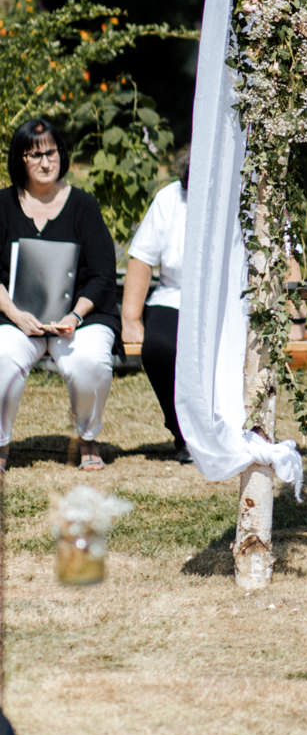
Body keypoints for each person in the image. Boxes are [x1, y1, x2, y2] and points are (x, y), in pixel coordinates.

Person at [0, 116, 120, 472]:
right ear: (19, 159)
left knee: (90, 363)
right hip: (15, 317)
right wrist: (15, 314)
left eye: (50, 153)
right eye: (34, 155)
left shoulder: (84, 205)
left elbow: (102, 275)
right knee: (2, 359)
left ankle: (87, 438)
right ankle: (1, 445)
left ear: (61, 155)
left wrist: (75, 316)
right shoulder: (3, 204)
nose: (45, 162)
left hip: (79, 319)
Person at [122, 145, 191, 462]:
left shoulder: (251, 195)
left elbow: (285, 257)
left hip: (234, 300)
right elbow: (142, 259)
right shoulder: (169, 198)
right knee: (159, 347)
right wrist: (131, 319)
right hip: (175, 295)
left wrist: (297, 317)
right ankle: (182, 432)